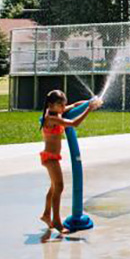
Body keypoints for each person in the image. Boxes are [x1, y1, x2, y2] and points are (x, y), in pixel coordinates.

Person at [39, 90, 99, 233]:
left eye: (63, 104)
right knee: (59, 187)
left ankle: (47, 214)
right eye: (60, 104)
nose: (62, 107)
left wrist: (88, 102)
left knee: (54, 187)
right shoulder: (51, 118)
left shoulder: (56, 112)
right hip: (50, 158)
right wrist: (89, 110)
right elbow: (74, 123)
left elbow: (73, 106)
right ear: (50, 104)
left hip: (51, 157)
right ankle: (57, 222)